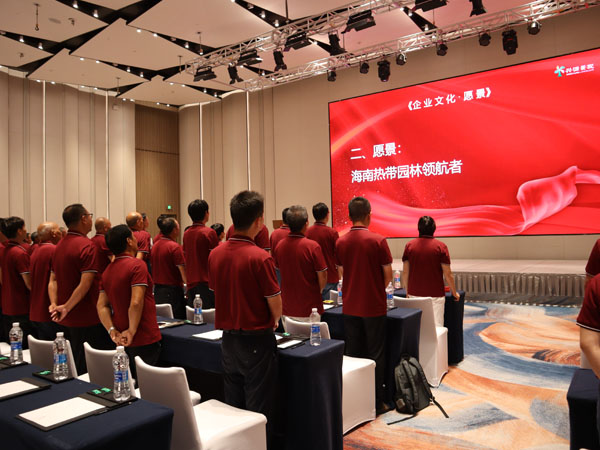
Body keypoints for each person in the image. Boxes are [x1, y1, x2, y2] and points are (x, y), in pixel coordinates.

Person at [208, 190, 281, 447]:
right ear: (259, 220)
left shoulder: (215, 254)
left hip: (228, 340)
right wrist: (275, 319)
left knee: (234, 406)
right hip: (256, 341)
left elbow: (215, 290)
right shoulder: (260, 257)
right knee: (258, 410)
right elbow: (275, 304)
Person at [335, 196, 393, 415]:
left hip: (350, 306)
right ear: (369, 215)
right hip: (373, 306)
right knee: (376, 354)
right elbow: (388, 275)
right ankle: (376, 402)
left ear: (349, 216)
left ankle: (355, 401)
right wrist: (375, 289)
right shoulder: (378, 241)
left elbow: (342, 272)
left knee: (354, 354)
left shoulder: (340, 242)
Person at [50, 204, 114, 374]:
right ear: (84, 218)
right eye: (89, 215)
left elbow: (53, 280)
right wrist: (66, 307)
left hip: (66, 316)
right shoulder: (86, 245)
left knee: (73, 363)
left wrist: (55, 304)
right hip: (87, 315)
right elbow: (85, 283)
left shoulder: (59, 246)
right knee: (93, 368)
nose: (91, 219)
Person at [97, 225, 161, 379]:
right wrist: (131, 330)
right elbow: (136, 302)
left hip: (120, 336)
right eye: (133, 236)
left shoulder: (107, 271)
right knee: (147, 382)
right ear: (129, 241)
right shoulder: (137, 266)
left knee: (130, 381)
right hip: (143, 334)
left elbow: (102, 305)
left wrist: (111, 330)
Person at [401, 216, 459, 327]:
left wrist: (408, 291)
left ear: (418, 228)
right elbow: (448, 274)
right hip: (435, 296)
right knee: (437, 329)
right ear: (434, 228)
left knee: (417, 328)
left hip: (414, 294)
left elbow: (405, 272)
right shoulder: (441, 247)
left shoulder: (409, 246)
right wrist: (454, 292)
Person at [273, 205, 327, 321]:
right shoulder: (312, 247)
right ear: (306, 223)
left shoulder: (279, 246)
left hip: (287, 308)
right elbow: (322, 276)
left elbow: (278, 274)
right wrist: (316, 292)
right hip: (310, 308)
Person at [0, 216, 33, 347]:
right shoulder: (20, 253)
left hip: (7, 305)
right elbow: (29, 284)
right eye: (24, 228)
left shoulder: (5, 251)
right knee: (23, 347)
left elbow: (2, 279)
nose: (26, 231)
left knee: (12, 346)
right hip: (21, 306)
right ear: (19, 231)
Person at [183, 200, 219, 309]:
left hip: (191, 282)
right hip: (206, 283)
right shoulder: (209, 232)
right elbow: (215, 258)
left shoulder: (186, 233)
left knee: (194, 314)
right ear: (206, 213)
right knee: (209, 315)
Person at [29, 222, 62, 340]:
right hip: (50, 309)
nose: (61, 233)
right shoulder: (54, 250)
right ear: (53, 233)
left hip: (36, 309)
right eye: (58, 230)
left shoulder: (35, 250)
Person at [151, 217, 187, 319]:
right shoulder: (174, 247)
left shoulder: (155, 245)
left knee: (162, 319)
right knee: (177, 320)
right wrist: (187, 286)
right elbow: (182, 270)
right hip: (172, 291)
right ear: (174, 230)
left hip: (157, 290)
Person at [306, 202, 340, 300]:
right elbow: (338, 255)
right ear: (327, 214)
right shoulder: (332, 233)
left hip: (313, 277)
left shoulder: (307, 232)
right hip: (330, 276)